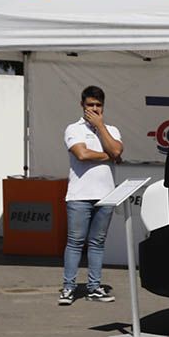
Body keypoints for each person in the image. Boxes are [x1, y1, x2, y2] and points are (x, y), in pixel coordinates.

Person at [59, 85, 123, 305]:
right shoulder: (73, 129)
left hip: (106, 195)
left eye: (98, 105)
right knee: (75, 242)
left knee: (97, 243)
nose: (94, 109)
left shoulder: (111, 130)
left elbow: (116, 151)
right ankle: (68, 288)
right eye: (90, 105)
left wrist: (100, 126)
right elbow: (82, 154)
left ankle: (94, 287)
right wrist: (108, 155)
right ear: (82, 105)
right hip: (79, 195)